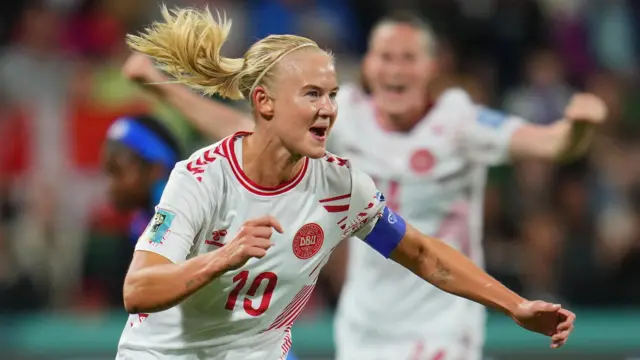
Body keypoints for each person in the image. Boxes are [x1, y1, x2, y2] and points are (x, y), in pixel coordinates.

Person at [123, 10, 604, 360]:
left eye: (332, 95)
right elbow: (139, 290)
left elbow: (424, 254)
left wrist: (515, 305)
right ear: (265, 103)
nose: (329, 108)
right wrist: (223, 257)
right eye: (312, 94)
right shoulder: (202, 178)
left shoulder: (339, 186)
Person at [103, 114, 183, 245]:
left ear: (156, 169)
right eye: (108, 173)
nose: (110, 185)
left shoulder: (170, 213)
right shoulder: (140, 222)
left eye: (118, 172)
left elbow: (151, 259)